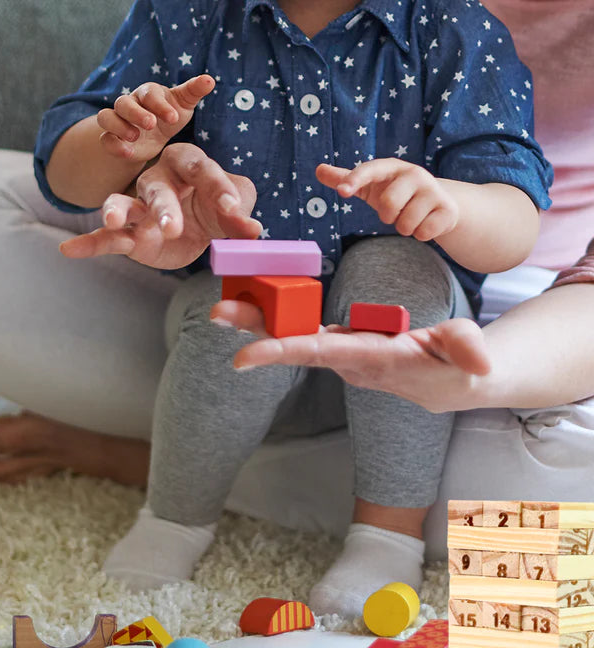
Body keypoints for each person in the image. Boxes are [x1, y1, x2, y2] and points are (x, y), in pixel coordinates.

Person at [0, 0, 594, 592]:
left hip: (504, 291)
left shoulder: (463, 33)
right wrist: (150, 167)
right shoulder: (197, 15)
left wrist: (473, 370)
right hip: (226, 269)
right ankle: (205, 471)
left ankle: (194, 465)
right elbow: (80, 154)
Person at [37, 0, 552, 613]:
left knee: (394, 272)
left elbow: (517, 217)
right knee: (255, 287)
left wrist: (455, 204)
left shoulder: (455, 29)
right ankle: (174, 518)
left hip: (410, 380)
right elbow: (65, 175)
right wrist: (120, 144)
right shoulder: (186, 16)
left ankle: (387, 535)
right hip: (233, 350)